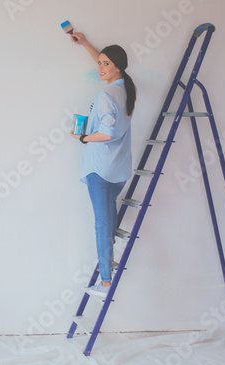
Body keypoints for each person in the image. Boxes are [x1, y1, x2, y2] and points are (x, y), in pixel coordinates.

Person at [70, 32, 137, 298]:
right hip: (118, 170)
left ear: (117, 67)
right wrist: (86, 44)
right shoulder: (125, 90)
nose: (99, 67)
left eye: (105, 64)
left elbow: (107, 133)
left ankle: (106, 282)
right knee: (108, 221)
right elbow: (108, 62)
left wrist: (84, 137)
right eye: (99, 63)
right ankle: (109, 268)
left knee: (101, 223)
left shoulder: (108, 95)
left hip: (100, 169)